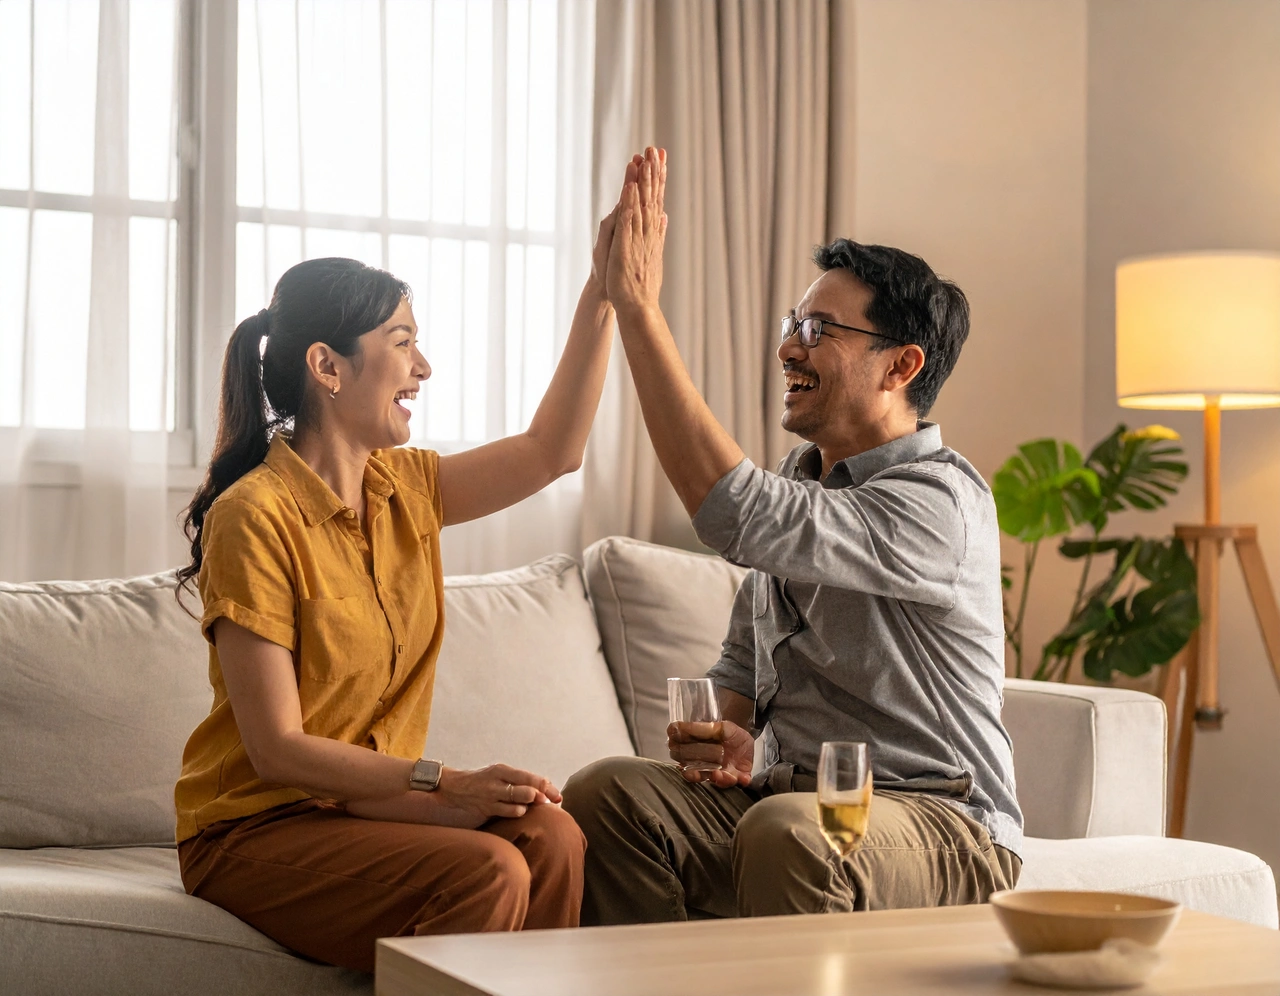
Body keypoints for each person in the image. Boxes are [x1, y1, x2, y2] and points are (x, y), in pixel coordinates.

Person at [562, 147, 1023, 924]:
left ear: (900, 366)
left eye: (818, 329)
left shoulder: (940, 501)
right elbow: (743, 664)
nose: (787, 348)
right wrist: (728, 732)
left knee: (791, 833)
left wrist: (638, 309)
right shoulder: (803, 479)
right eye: (792, 324)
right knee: (609, 794)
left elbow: (737, 513)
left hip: (943, 823)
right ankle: (669, 975)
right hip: (790, 803)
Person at [173, 186, 625, 972]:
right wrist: (446, 783)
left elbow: (553, 450)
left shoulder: (406, 488)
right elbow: (278, 749)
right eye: (403, 341)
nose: (423, 367)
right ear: (328, 366)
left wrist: (604, 290)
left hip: (364, 808)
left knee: (551, 835)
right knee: (491, 868)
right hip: (254, 826)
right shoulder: (255, 515)